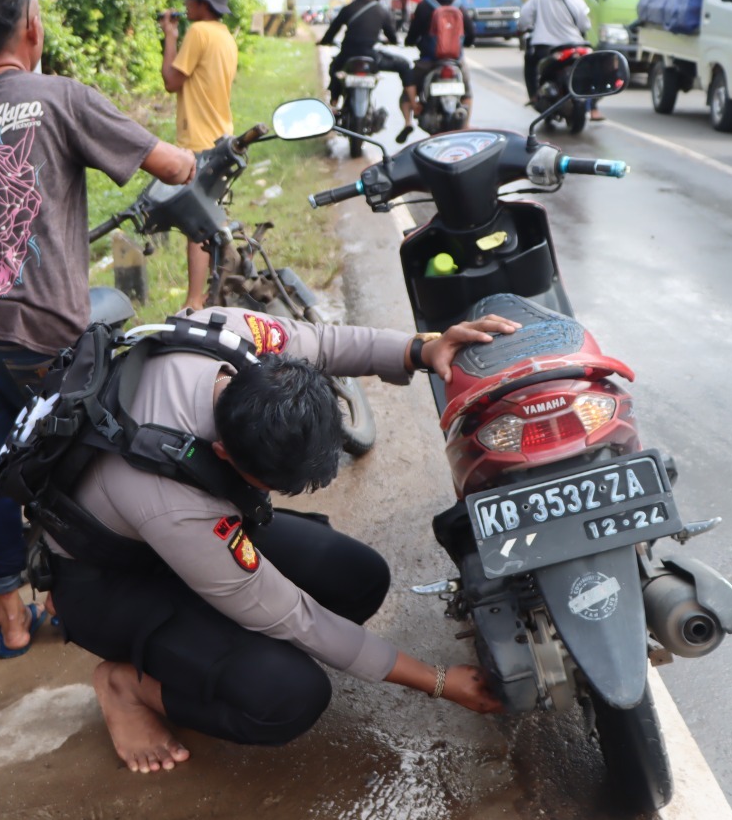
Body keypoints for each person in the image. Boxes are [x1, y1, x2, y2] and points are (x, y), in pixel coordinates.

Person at [48, 306, 516, 773]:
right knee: (289, 695)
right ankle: (126, 687)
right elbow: (295, 617)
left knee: (359, 578)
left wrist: (420, 348)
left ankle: (214, 647)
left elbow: (323, 343)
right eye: (270, 483)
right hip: (110, 581)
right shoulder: (176, 506)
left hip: (164, 532)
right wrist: (437, 681)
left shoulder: (233, 339)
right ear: (223, 453)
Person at [0, 0, 197, 660]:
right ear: (32, 28)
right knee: (72, 469)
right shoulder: (62, 98)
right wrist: (198, 161)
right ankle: (73, 606)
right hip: (41, 330)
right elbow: (168, 165)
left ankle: (12, 623)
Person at [160, 0, 239, 313]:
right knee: (211, 218)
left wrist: (170, 35)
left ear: (202, 3)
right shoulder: (224, 35)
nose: (184, 2)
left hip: (199, 139)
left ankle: (195, 302)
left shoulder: (198, 33)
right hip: (222, 134)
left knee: (197, 225)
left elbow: (171, 81)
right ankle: (217, 289)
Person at [318, 0, 416, 143]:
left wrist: (324, 41)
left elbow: (331, 32)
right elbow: (392, 37)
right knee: (405, 65)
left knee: (335, 68)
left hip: (348, 55)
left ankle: (333, 105)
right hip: (372, 57)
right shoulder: (382, 10)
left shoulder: (348, 9)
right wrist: (388, 41)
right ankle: (412, 109)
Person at [519, 0, 602, 120]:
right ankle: (594, 107)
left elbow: (524, 18)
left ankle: (533, 96)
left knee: (530, 63)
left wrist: (529, 28)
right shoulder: (578, 1)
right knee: (588, 73)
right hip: (574, 46)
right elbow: (585, 26)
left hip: (544, 48)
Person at [404, 0, 476, 129]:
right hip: (455, 60)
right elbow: (471, 31)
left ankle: (409, 119)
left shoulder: (424, 5)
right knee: (467, 91)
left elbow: (413, 33)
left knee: (409, 82)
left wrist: (410, 42)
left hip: (429, 60)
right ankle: (467, 124)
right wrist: (466, 43)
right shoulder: (458, 3)